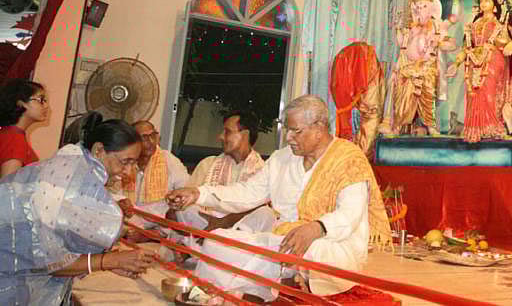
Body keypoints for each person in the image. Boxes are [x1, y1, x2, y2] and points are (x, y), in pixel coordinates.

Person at [166, 95, 391, 302]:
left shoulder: (349, 159)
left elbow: (351, 214)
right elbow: (248, 192)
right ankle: (264, 287)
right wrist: (199, 193)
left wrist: (316, 228)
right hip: (283, 240)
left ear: (319, 128)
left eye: (295, 131)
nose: (288, 137)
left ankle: (257, 288)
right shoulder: (282, 159)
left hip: (330, 247)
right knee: (217, 241)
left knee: (287, 251)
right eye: (287, 129)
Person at [0, 119, 158, 305]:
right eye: (125, 162)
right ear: (99, 150)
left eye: (133, 164)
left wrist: (109, 263)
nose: (129, 171)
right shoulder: (69, 180)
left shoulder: (76, 168)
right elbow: (51, 261)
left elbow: (59, 251)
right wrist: (110, 261)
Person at [446, 0, 512, 143]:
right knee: (473, 93)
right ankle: (474, 129)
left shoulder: (502, 23)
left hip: (493, 60)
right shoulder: (473, 24)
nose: (483, 3)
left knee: (487, 91)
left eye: (487, 0)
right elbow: (465, 47)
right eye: (481, 1)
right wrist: (456, 64)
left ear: (494, 5)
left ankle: (490, 126)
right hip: (473, 61)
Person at [381, 0, 460, 135]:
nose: (420, 10)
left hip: (427, 67)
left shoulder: (438, 26)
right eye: (418, 7)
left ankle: (431, 126)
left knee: (428, 94)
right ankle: (397, 126)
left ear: (431, 9)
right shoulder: (413, 28)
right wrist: (398, 29)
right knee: (403, 95)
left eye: (424, 6)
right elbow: (402, 46)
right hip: (409, 68)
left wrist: (455, 0)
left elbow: (454, 20)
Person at [178, 111, 266, 233]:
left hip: (239, 235)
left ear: (245, 135)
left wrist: (223, 223)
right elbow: (185, 203)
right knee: (185, 210)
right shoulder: (207, 164)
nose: (220, 137)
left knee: (263, 213)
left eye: (227, 132)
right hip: (203, 226)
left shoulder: (263, 171)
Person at [110, 120, 189, 235]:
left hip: (159, 231)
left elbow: (184, 200)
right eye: (144, 138)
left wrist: (151, 234)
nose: (151, 142)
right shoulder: (124, 161)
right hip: (123, 226)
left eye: (153, 136)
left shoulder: (170, 162)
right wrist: (119, 201)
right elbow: (109, 192)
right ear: (132, 141)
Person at [0, 79, 48, 178]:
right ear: (21, 103)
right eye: (41, 100)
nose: (46, 106)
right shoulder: (15, 139)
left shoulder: (7, 133)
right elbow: (7, 185)